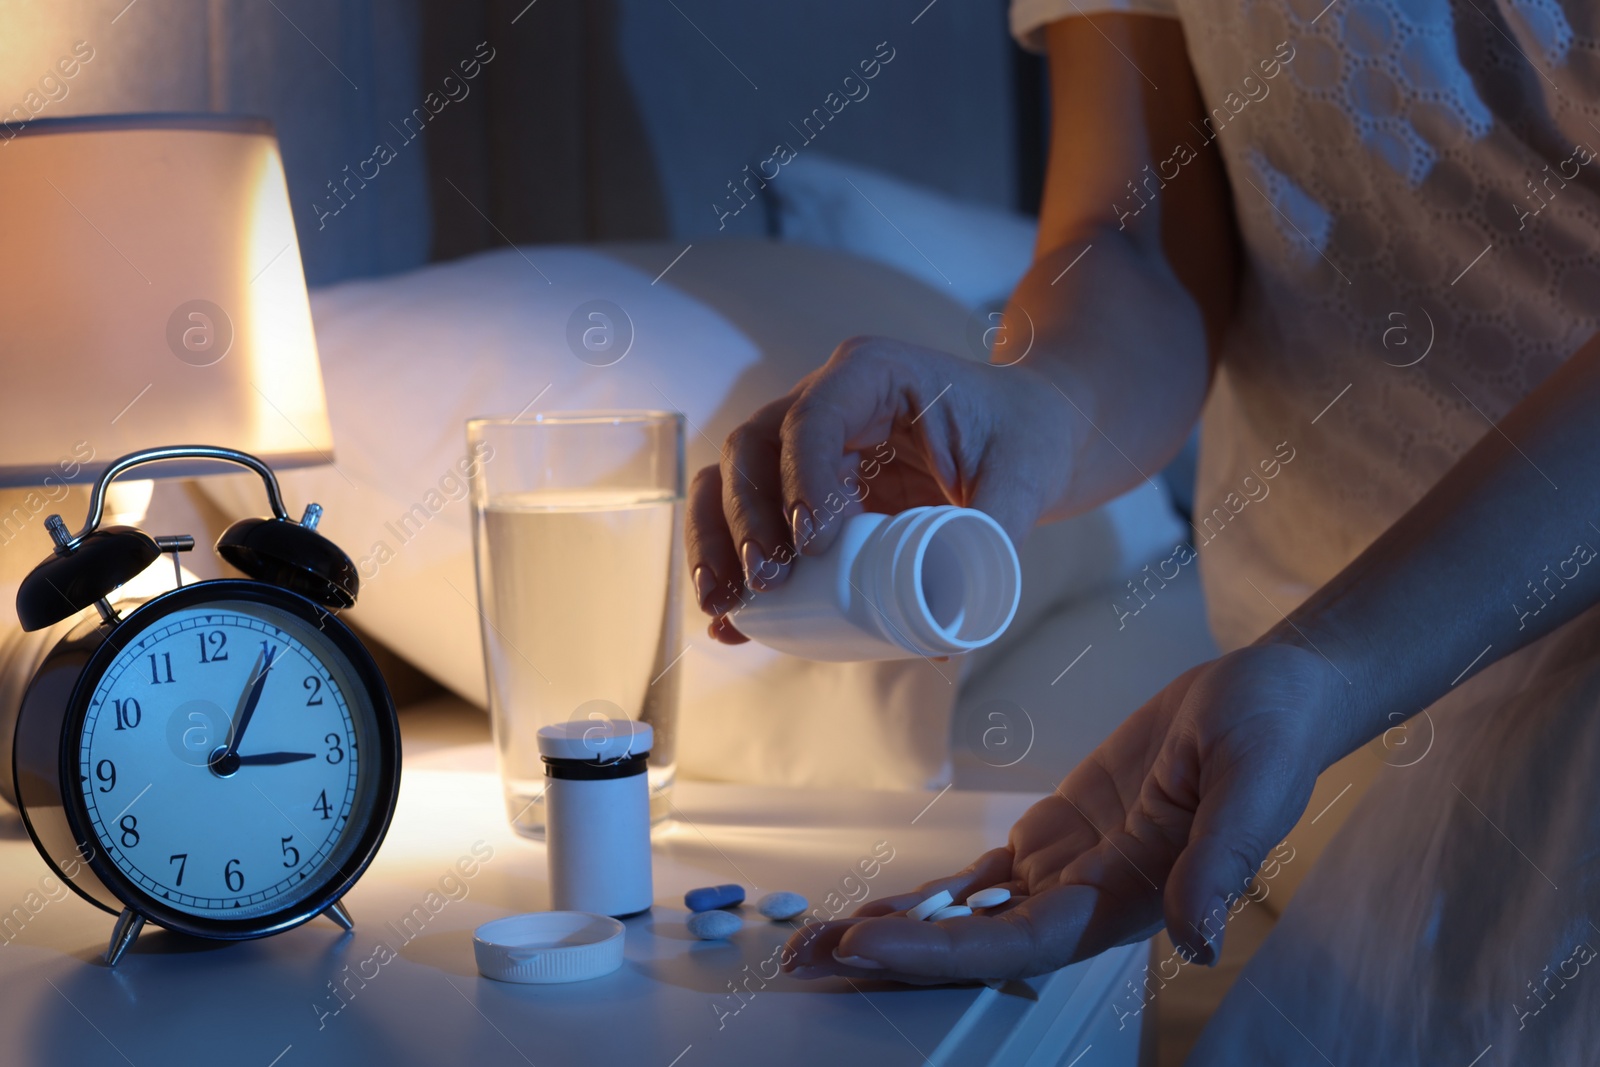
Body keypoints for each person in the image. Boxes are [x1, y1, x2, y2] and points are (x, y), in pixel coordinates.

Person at [687, 6, 1600, 1059]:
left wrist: (1333, 662)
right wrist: (1038, 401)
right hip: (1311, 718)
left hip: (1388, 672)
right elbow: (1131, 236)